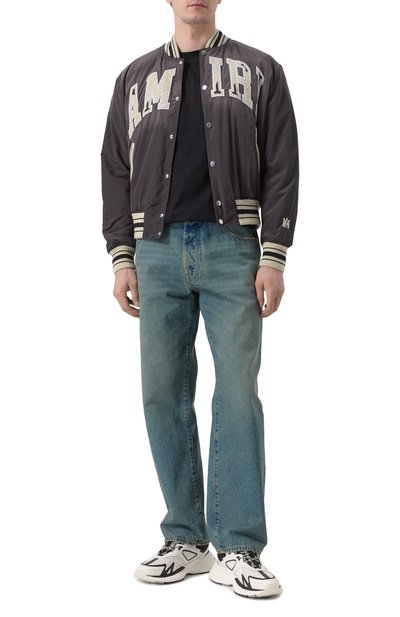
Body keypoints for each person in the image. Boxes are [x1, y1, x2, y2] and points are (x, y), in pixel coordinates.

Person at [101, 0, 299, 599]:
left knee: (237, 393)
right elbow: (114, 168)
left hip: (233, 248)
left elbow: (282, 163)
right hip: (154, 250)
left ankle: (238, 546)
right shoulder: (133, 79)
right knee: (162, 392)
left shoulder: (260, 69)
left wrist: (273, 254)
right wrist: (122, 254)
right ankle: (186, 538)